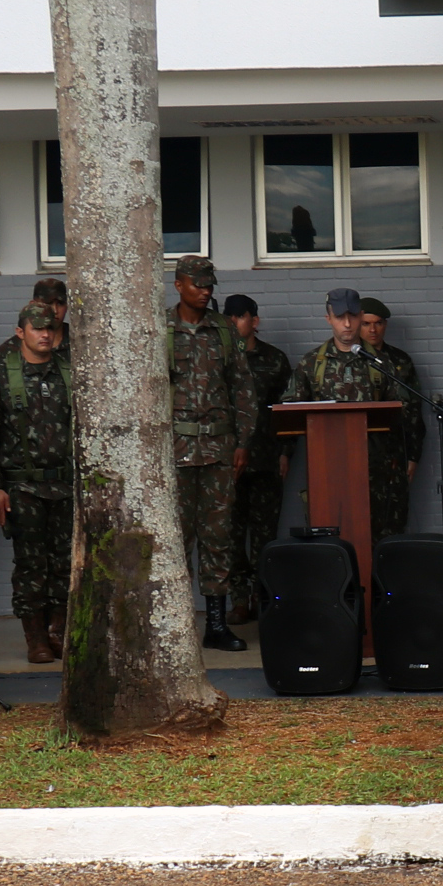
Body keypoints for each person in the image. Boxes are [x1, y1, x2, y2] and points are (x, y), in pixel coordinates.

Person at [0, 301, 75, 664]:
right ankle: (36, 639)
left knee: (66, 563)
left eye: (50, 328)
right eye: (37, 328)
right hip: (22, 488)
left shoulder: (71, 373)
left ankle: (58, 631)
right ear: (21, 333)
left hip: (67, 486)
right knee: (31, 565)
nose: (45, 334)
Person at [168, 256, 260, 651]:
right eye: (198, 284)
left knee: (218, 538)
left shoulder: (224, 331)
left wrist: (242, 443)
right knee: (175, 541)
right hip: (174, 453)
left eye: (209, 285)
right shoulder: (160, 330)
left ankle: (217, 625)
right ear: (179, 285)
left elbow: (243, 389)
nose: (205, 291)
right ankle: (175, 628)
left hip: (219, 452)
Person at [290, 287, 409, 546]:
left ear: (360, 315)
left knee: (378, 542)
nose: (347, 323)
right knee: (330, 541)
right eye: (340, 316)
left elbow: (403, 415)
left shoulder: (381, 364)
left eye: (353, 316)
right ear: (328, 319)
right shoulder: (311, 364)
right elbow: (290, 411)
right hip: (327, 470)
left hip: (374, 473)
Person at [223, 294, 291, 626]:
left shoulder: (275, 360)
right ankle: (239, 599)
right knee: (232, 535)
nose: (234, 322)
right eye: (230, 317)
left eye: (240, 317)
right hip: (227, 463)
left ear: (255, 321)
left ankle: (262, 596)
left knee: (265, 536)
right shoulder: (219, 358)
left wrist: (285, 453)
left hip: (265, 459)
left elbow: (286, 411)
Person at [356, 298, 426, 533]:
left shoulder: (400, 361)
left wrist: (413, 455)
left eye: (378, 323)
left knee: (393, 522)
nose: (372, 330)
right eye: (366, 324)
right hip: (354, 455)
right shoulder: (347, 360)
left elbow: (414, 411)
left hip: (394, 455)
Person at [0, 275, 69, 374]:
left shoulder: (79, 342)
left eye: (60, 304)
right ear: (32, 304)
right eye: (48, 303)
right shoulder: (9, 350)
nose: (55, 310)